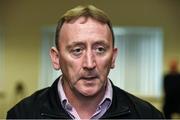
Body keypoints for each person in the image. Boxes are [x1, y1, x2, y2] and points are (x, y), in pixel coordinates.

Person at [7, 5, 164, 119]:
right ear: (56, 58)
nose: (89, 64)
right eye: (77, 50)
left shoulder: (147, 115)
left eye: (100, 49)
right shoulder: (23, 114)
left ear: (113, 58)